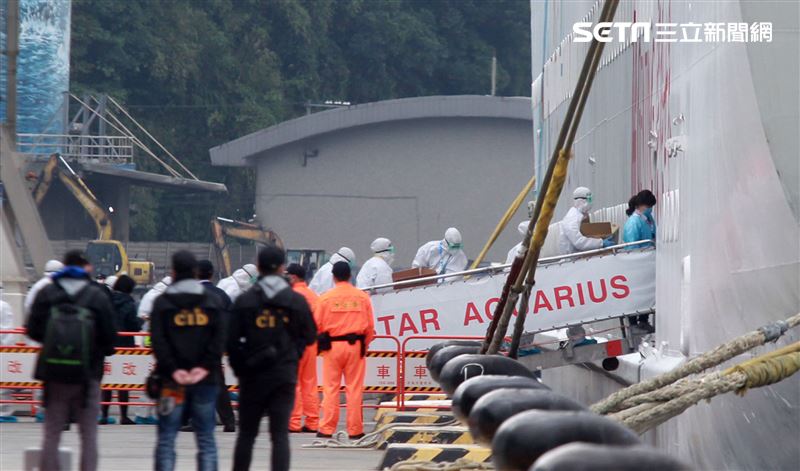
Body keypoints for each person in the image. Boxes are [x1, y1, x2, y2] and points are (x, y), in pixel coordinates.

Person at [27, 250, 117, 471]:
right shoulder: (96, 295)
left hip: (54, 375)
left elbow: (33, 330)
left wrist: (56, 345)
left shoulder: (47, 293)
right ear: (85, 267)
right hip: (88, 376)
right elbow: (110, 339)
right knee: (88, 436)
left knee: (52, 434)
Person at [228, 247, 316, 471]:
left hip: (252, 376)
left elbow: (230, 341)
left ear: (258, 267)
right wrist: (293, 355)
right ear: (282, 268)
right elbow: (309, 335)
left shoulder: (245, 300)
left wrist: (241, 368)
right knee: (279, 436)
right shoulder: (296, 301)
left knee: (246, 435)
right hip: (283, 376)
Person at [150, 251, 225, 471]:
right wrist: (205, 367)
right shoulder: (211, 301)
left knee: (166, 439)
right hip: (206, 381)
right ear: (195, 272)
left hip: (170, 382)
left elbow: (158, 342)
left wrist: (174, 369)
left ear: (173, 272)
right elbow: (219, 339)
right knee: (206, 440)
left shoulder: (163, 302)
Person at [316, 262, 375, 439]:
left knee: (330, 388)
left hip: (332, 348)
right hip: (355, 347)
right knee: (354, 389)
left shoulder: (325, 298)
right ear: (350, 276)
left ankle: (326, 428)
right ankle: (355, 430)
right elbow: (370, 328)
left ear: (333, 277)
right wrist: (364, 345)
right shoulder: (362, 297)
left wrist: (321, 346)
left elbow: (316, 326)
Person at [197, 259, 236, 433]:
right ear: (212, 274)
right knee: (218, 382)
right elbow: (231, 320)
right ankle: (229, 421)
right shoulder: (222, 295)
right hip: (216, 345)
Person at [100, 275, 142, 425]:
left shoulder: (106, 300)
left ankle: (104, 415)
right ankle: (124, 416)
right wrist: (141, 321)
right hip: (125, 345)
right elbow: (133, 326)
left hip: (108, 344)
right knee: (123, 382)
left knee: (107, 381)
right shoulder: (129, 303)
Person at [286, 263, 320, 433]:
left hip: (293, 344)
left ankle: (293, 422)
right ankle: (312, 422)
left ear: (293, 277)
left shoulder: (289, 296)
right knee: (310, 383)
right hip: (311, 344)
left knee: (294, 383)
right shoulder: (314, 296)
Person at [622, 190, 657, 332]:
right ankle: (634, 323)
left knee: (645, 292)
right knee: (636, 293)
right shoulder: (634, 222)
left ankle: (643, 319)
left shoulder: (646, 220)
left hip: (645, 262)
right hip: (636, 263)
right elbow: (632, 245)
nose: (650, 209)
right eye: (649, 206)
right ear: (641, 205)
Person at [557, 187, 614, 255]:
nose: (591, 202)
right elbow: (578, 242)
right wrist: (601, 243)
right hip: (571, 259)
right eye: (589, 199)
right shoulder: (572, 218)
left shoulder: (580, 215)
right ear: (582, 201)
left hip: (577, 257)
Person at [0, 291, 17, 422]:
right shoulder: (3, 306)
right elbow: (8, 331)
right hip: (3, 348)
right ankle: (4, 412)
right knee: (4, 382)